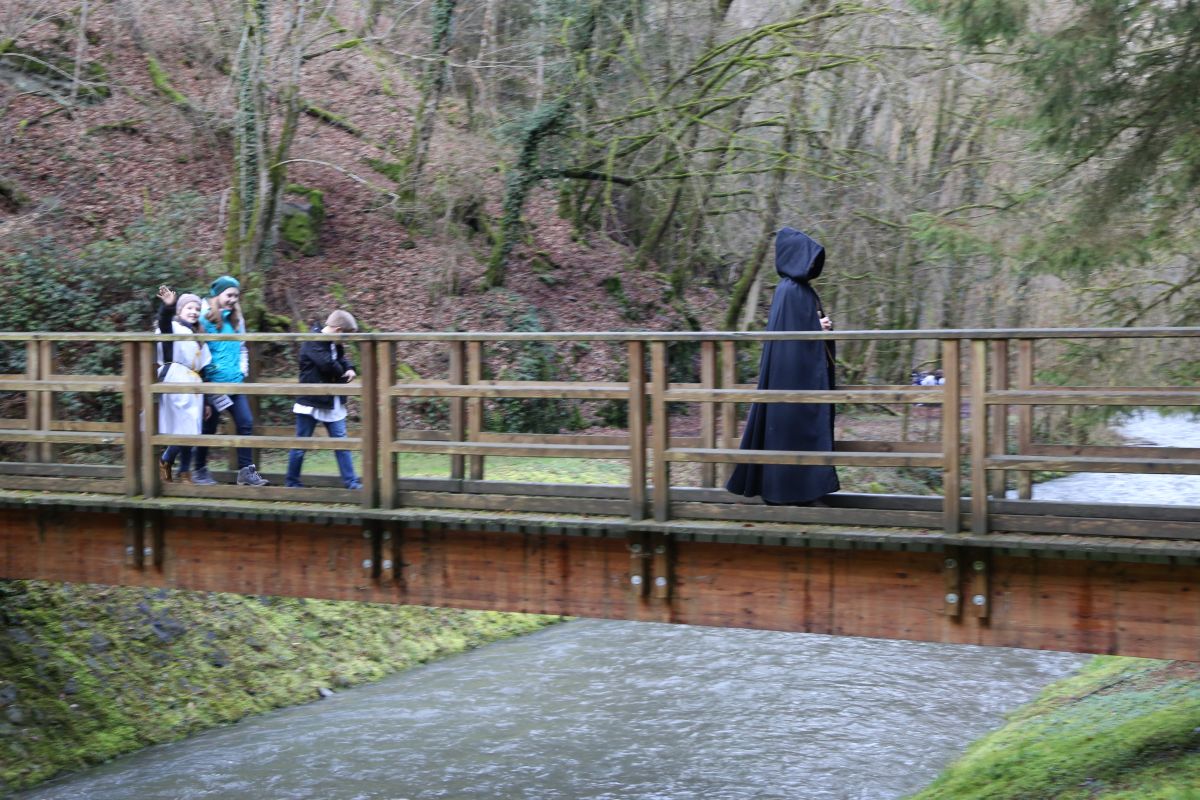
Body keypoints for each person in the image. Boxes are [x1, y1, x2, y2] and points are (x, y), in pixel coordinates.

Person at [726, 226, 840, 506]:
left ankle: (803, 491)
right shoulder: (789, 291)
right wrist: (817, 327)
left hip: (801, 377)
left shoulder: (801, 291)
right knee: (789, 428)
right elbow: (793, 336)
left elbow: (804, 329)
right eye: (808, 259)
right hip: (791, 377)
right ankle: (786, 492)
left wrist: (820, 327)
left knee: (801, 430)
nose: (812, 266)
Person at [190, 275, 269, 486]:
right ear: (217, 295)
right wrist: (205, 381)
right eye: (229, 295)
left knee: (246, 423)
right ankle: (199, 470)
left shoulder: (237, 320)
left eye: (236, 296)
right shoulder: (204, 319)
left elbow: (242, 348)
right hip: (213, 384)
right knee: (209, 427)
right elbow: (197, 351)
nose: (233, 299)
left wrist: (242, 370)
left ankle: (246, 473)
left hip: (235, 382)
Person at [285, 310, 362, 490]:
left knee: (341, 443)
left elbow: (341, 359)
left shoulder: (334, 343)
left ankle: (351, 482)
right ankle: (292, 482)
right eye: (346, 335)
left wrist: (350, 368)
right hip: (311, 400)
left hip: (331, 399)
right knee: (301, 444)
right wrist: (343, 372)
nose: (346, 340)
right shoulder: (314, 341)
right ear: (338, 330)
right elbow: (328, 364)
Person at [154, 286, 211, 484]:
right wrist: (168, 306)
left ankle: (183, 472)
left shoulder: (198, 336)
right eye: (189, 308)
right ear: (180, 310)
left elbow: (203, 369)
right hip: (176, 382)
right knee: (185, 428)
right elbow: (163, 322)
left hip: (194, 386)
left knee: (191, 429)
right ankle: (167, 459)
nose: (194, 312)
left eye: (197, 309)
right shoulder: (173, 328)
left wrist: (207, 401)